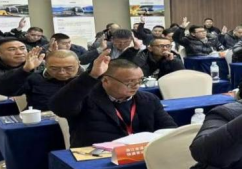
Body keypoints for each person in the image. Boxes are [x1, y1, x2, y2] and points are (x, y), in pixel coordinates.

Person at [49, 52, 177, 147]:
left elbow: (169, 128)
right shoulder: (85, 98)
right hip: (97, 157)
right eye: (129, 82)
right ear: (106, 80)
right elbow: (60, 108)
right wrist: (91, 76)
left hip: (139, 154)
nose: (136, 86)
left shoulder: (148, 99)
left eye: (140, 81)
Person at [17, 50, 83, 110]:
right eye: (54, 69)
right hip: (40, 117)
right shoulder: (33, 78)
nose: (61, 72)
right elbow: (12, 91)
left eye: (69, 68)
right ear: (46, 65)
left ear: (78, 64)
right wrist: (24, 70)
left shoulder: (86, 80)